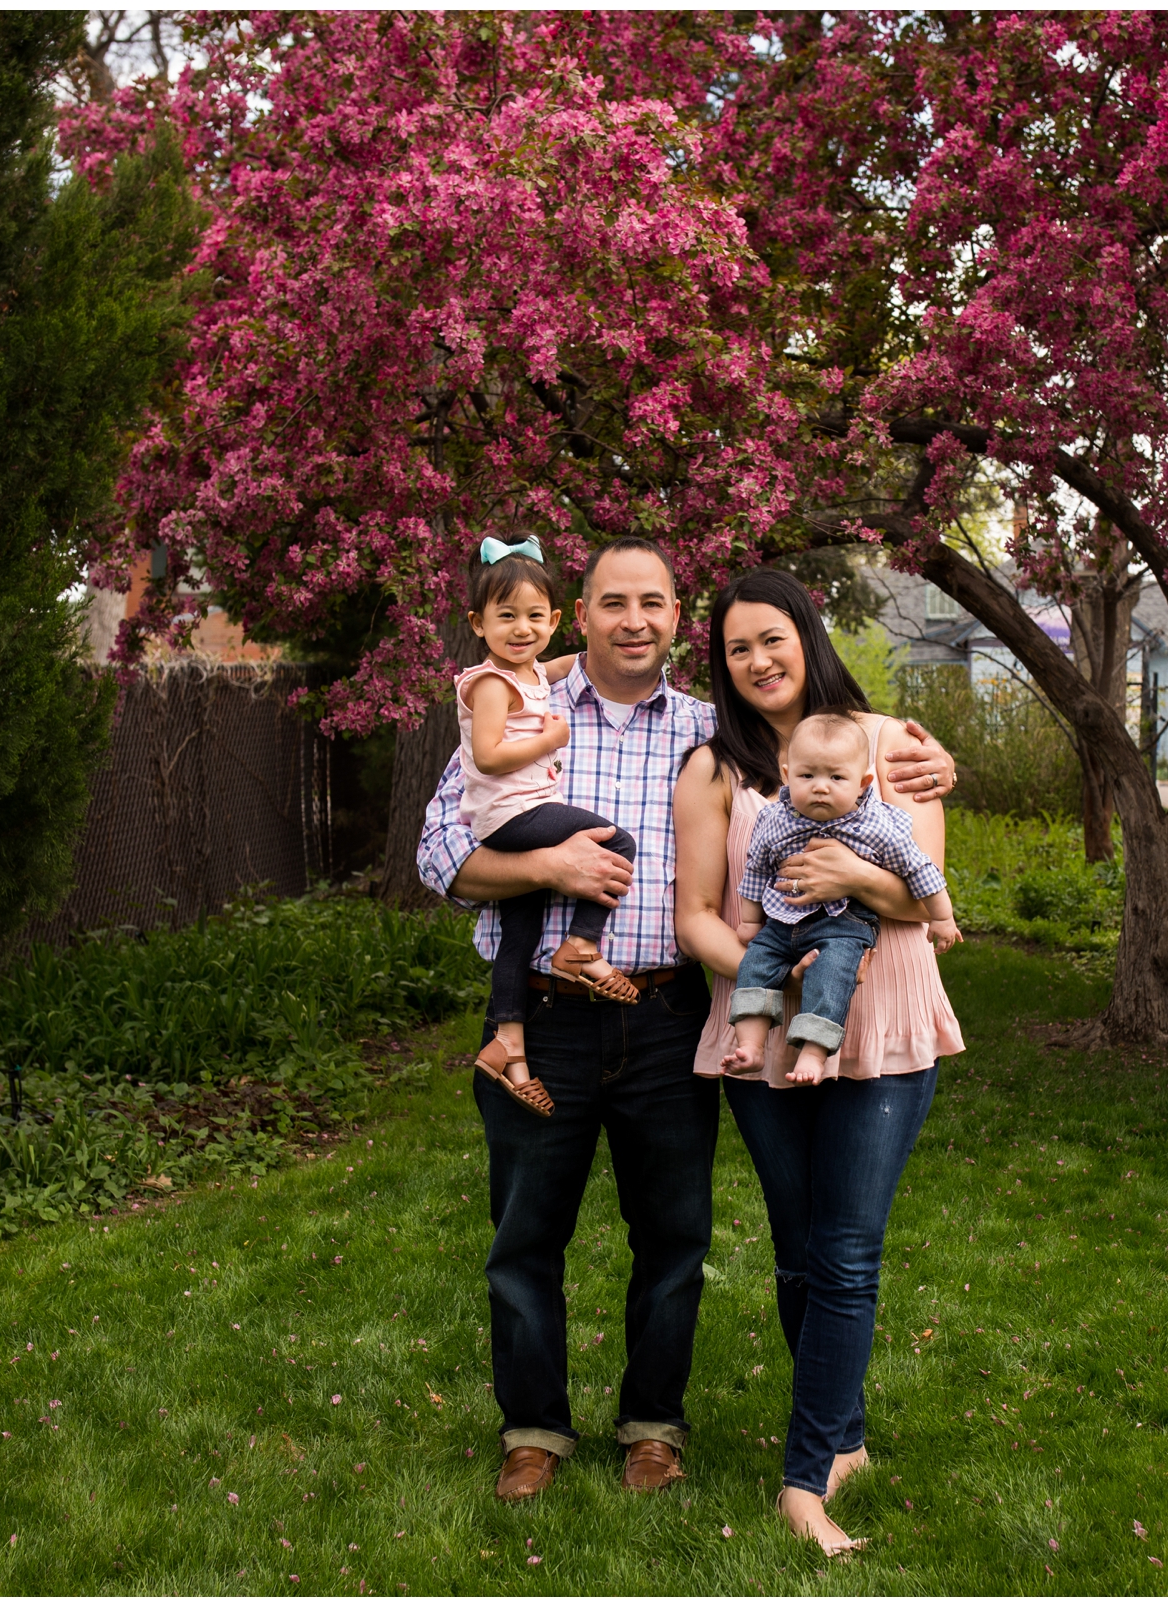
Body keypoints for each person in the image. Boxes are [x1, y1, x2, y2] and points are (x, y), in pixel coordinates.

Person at [416, 538, 960, 1506]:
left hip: (669, 1013)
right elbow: (440, 855)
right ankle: (533, 1427)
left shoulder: (720, 733)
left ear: (677, 619)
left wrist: (917, 752)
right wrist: (547, 869)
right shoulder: (517, 708)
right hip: (542, 1014)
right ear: (578, 612)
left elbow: (842, 759)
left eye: (654, 602)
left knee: (673, 1236)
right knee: (524, 1236)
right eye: (613, 600)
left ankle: (654, 1427)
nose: (634, 618)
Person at [672, 567, 965, 1556]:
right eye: (737, 646)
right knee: (800, 1250)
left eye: (773, 637)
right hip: (768, 1031)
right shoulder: (716, 768)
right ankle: (843, 1436)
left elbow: (923, 891)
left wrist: (850, 874)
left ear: (809, 632)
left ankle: (804, 1480)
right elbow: (696, 919)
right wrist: (784, 988)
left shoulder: (890, 743)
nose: (757, 659)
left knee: (845, 1249)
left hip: (882, 1025)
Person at [453, 536, 640, 1117]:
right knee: (617, 839)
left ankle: (508, 1044)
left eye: (535, 616)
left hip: (509, 816)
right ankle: (582, 947)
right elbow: (485, 756)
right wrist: (550, 740)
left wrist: (582, 657)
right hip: (513, 814)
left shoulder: (530, 671)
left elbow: (559, 666)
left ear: (557, 621)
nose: (521, 628)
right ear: (477, 624)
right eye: (505, 617)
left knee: (520, 927)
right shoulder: (490, 683)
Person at [722, 711, 958, 1083]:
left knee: (832, 976)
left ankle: (813, 1053)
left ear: (863, 783)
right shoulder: (773, 819)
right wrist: (751, 921)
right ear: (787, 775)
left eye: (836, 777)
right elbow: (756, 870)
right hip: (782, 921)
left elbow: (920, 869)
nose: (820, 787)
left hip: (843, 926)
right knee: (754, 966)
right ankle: (750, 1045)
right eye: (807, 776)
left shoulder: (876, 826)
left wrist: (942, 917)